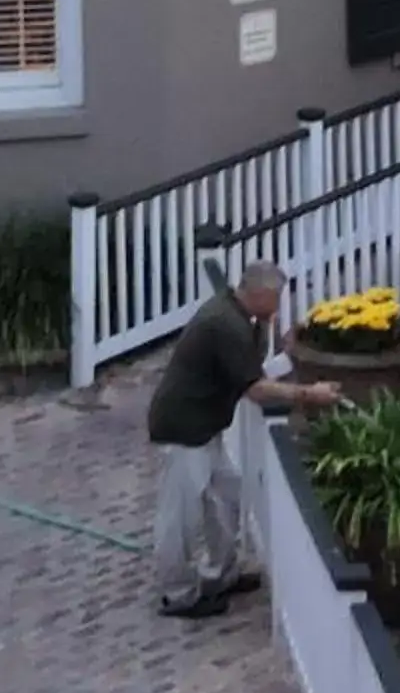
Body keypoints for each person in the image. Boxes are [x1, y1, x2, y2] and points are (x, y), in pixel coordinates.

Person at [146, 258, 340, 618]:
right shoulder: (224, 325)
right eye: (277, 298)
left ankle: (222, 572)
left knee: (226, 498)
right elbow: (256, 388)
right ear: (260, 293)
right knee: (181, 515)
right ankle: (178, 593)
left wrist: (267, 324)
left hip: (207, 425)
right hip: (184, 427)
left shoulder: (236, 314)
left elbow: (252, 360)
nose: (281, 305)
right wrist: (309, 394)